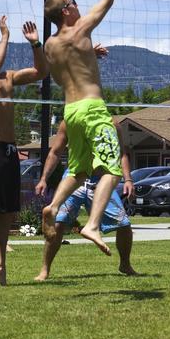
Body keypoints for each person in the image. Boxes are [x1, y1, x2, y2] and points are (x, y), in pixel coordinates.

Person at [40, 0, 127, 256]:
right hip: (92, 109)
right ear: (66, 11)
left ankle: (53, 206)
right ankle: (92, 224)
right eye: (74, 2)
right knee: (111, 169)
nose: (78, 6)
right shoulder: (80, 28)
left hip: (71, 111)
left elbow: (68, 70)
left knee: (78, 169)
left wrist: (91, 53)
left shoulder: (50, 45)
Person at [0, 17, 48, 289]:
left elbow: (41, 71)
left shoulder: (9, 77)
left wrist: (35, 43)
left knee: (7, 211)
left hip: (10, 149)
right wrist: (4, 36)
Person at [34, 119, 138, 281]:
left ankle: (125, 264)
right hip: (74, 178)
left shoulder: (111, 124)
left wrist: (128, 179)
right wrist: (44, 178)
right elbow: (55, 152)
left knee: (124, 225)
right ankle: (44, 270)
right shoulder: (69, 122)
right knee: (58, 224)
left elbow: (121, 153)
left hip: (101, 180)